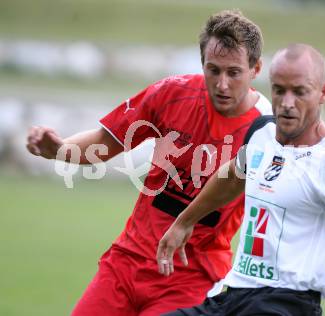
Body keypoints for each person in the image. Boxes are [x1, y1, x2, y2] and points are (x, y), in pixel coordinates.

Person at [26, 10, 272, 316]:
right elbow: (106, 143)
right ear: (202, 64)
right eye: (213, 70)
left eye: (233, 73)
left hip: (191, 277)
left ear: (256, 69)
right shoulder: (172, 93)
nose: (222, 84)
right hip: (127, 262)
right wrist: (60, 150)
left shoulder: (267, 132)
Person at [157, 43, 325, 315]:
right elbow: (234, 176)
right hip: (233, 297)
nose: (287, 103)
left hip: (286, 305)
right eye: (279, 90)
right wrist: (184, 221)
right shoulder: (261, 133)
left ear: (323, 93)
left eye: (300, 92)